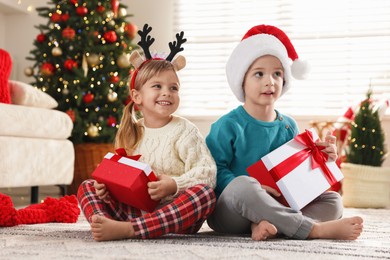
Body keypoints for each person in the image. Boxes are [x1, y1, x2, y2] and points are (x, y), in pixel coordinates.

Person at [205, 24, 363, 241]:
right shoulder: (227, 125)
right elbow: (213, 172)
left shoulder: (288, 125)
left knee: (333, 200)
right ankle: (313, 229)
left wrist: (323, 159)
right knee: (243, 185)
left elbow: (298, 177)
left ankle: (269, 225)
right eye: (259, 74)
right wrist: (258, 189)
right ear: (241, 80)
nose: (269, 81)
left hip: (278, 206)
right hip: (233, 210)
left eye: (277, 74)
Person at [77, 24, 216, 241]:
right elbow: (119, 177)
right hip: (134, 209)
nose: (167, 93)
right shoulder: (131, 131)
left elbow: (207, 174)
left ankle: (130, 230)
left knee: (205, 195)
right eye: (157, 86)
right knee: (87, 187)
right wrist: (105, 188)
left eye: (173, 88)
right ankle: (106, 223)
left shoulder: (185, 131)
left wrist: (173, 184)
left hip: (176, 216)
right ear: (137, 96)